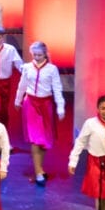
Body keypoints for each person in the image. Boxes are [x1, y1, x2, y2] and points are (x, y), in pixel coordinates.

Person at [15, 41, 66, 186]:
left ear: (45, 54)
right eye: (34, 55)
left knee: (44, 141)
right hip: (30, 104)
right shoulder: (27, 68)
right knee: (35, 138)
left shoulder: (52, 69)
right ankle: (38, 172)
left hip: (45, 104)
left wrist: (60, 107)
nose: (37, 57)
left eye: (40, 55)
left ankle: (40, 169)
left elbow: (57, 88)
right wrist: (17, 101)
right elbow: (22, 85)